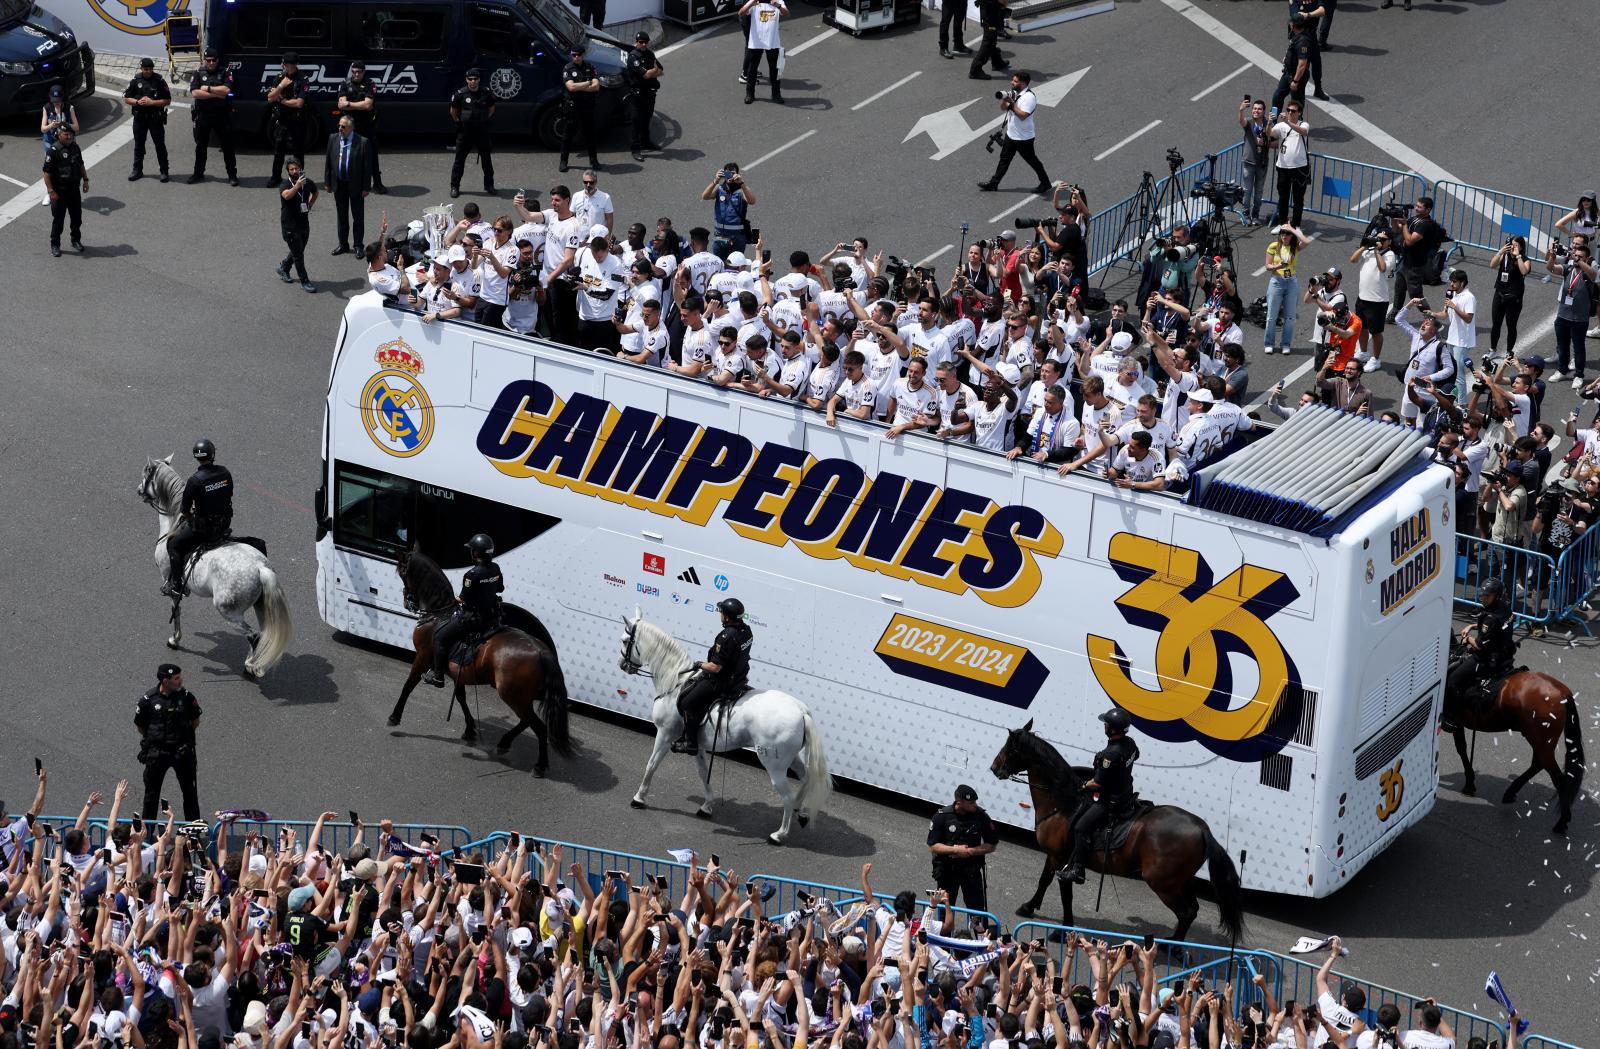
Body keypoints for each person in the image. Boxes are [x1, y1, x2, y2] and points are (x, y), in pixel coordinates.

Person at [1058, 708, 1139, 884]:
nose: (1104, 725)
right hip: (1126, 794)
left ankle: (1078, 870)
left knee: (1080, 827)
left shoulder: (1110, 754)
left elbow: (1097, 783)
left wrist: (1083, 785)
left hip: (1110, 801)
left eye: (1106, 724)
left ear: (1112, 729)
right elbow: (1136, 756)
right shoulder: (1130, 743)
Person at [671, 598, 754, 754]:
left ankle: (691, 743)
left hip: (722, 681)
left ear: (727, 617)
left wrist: (699, 664)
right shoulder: (747, 630)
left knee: (688, 702)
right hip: (739, 677)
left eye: (721, 612)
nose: (720, 614)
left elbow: (715, 668)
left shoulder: (727, 637)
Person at [424, 534, 505, 687]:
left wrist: (451, 597)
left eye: (472, 550)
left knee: (440, 636)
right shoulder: (495, 568)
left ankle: (438, 676)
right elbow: (500, 588)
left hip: (472, 619)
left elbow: (462, 599)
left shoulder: (472, 575)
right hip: (491, 617)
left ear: (476, 553)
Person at [163, 439, 234, 597]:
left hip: (205, 530)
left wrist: (192, 518)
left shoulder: (195, 481)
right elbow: (228, 495)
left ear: (196, 457)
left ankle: (176, 586)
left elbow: (185, 510)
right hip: (224, 524)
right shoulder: (225, 472)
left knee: (173, 544)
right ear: (213, 454)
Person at [135, 664, 202, 822]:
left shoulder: (186, 697)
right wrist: (154, 739)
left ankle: (193, 833)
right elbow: (140, 725)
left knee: (190, 793)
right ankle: (147, 834)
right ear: (165, 681)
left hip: (182, 753)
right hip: (157, 754)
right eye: (176, 678)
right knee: (151, 795)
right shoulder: (148, 700)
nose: (181, 680)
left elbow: (195, 721)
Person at [927, 784, 999, 918]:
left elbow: (992, 844)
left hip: (971, 872)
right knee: (945, 912)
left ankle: (979, 937)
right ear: (959, 803)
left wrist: (971, 851)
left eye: (975, 802)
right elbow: (933, 846)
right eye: (971, 802)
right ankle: (945, 938)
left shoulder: (980, 816)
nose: (975, 805)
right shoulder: (942, 816)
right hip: (947, 872)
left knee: (977, 912)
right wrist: (955, 850)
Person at [1446, 580, 1516, 712]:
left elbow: (1478, 645)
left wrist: (1467, 639)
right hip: (1506, 651)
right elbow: (1496, 628)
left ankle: (1451, 716)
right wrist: (1471, 626)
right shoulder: (1505, 607)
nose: (1483, 598)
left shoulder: (1491, 618)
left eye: (1487, 596)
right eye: (1482, 594)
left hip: (1486, 658)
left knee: (1451, 680)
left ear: (1496, 596)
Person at [976, 71, 1050, 195]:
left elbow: (1023, 115)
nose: (1012, 82)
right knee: (1004, 159)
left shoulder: (1029, 97)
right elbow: (1003, 108)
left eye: (1015, 81)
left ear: (1023, 83)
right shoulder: (1014, 93)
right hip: (1011, 135)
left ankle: (1045, 182)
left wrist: (1012, 104)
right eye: (1013, 80)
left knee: (1032, 160)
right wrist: (1005, 100)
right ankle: (994, 183)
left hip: (1024, 138)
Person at [188, 48, 239, 186]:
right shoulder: (198, 73)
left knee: (227, 147)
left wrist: (208, 89)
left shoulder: (225, 72)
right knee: (201, 147)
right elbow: (195, 93)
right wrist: (217, 94)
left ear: (217, 60)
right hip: (203, 116)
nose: (211, 63)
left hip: (222, 116)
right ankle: (198, 173)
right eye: (208, 60)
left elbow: (227, 90)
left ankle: (232, 175)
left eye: (213, 60)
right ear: (205, 60)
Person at [324, 116, 372, 258]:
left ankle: (358, 245)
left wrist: (366, 187)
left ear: (351, 128)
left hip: (356, 185)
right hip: (339, 184)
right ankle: (343, 244)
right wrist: (327, 182)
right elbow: (328, 161)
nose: (340, 128)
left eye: (343, 126)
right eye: (339, 125)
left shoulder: (362, 142)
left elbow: (367, 167)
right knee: (341, 216)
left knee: (358, 217)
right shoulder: (333, 138)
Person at [1389, 195, 1444, 319]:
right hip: (1406, 261)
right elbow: (1397, 231)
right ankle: (1395, 313)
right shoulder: (1415, 219)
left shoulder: (1425, 225)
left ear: (1428, 210)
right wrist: (1394, 220)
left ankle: (1431, 318)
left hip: (1415, 265)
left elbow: (1409, 241)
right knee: (1399, 287)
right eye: (1416, 205)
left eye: (1419, 207)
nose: (1416, 208)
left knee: (1415, 294)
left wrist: (1403, 225)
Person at [1350, 229, 1396, 372]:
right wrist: (1365, 245)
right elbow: (1353, 259)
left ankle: (1376, 359)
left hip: (1377, 300)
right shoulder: (1368, 250)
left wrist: (1376, 251)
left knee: (1375, 332)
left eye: (1383, 240)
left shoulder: (1389, 254)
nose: (1379, 241)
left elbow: (1383, 268)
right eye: (1378, 238)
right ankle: (1363, 352)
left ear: (1389, 242)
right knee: (1361, 327)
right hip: (1362, 297)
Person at [338, 61, 385, 194]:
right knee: (349, 154)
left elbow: (368, 105)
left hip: (367, 125)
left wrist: (349, 103)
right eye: (354, 72)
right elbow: (340, 105)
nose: (356, 74)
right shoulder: (345, 84)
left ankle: (377, 183)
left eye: (359, 71)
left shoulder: (370, 84)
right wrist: (358, 104)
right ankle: (352, 182)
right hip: (350, 126)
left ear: (364, 72)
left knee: (372, 155)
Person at [449, 69, 496, 198]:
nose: (473, 81)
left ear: (479, 80)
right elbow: (453, 110)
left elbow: (492, 108)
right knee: (459, 161)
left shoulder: (486, 93)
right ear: (466, 80)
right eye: (470, 79)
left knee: (486, 160)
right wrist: (459, 122)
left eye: (475, 79)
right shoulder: (460, 94)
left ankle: (489, 185)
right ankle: (454, 186)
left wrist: (484, 120)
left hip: (481, 131)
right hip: (465, 133)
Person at [42, 125, 87, 259]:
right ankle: (55, 244)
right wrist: (51, 191)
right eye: (66, 134)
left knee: (77, 218)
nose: (69, 136)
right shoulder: (53, 151)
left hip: (74, 190)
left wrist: (85, 180)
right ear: (59, 135)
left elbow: (80, 164)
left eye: (70, 134)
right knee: (58, 221)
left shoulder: (75, 147)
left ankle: (75, 240)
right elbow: (46, 173)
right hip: (59, 192)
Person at [123, 57, 171, 182]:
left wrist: (152, 102)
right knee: (139, 145)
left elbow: (167, 100)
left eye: (150, 69)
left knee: (160, 145)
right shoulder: (136, 80)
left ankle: (164, 171)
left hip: (155, 119)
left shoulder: (159, 80)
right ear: (141, 68)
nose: (148, 71)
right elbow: (127, 98)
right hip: (140, 119)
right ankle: (137, 170)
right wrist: (138, 102)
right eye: (146, 69)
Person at [275, 156, 318, 293]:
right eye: (291, 169)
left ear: (300, 168)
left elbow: (315, 192)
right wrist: (297, 186)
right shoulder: (285, 184)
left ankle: (284, 268)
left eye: (296, 168)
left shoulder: (308, 182)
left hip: (304, 223)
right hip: (290, 226)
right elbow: (286, 196)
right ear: (288, 171)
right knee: (298, 255)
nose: (294, 171)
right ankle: (305, 281)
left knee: (299, 250)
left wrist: (310, 204)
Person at [265, 52, 308, 187]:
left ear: (295, 65)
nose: (285, 66)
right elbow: (270, 98)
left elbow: (299, 103)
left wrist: (282, 100)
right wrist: (281, 86)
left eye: (288, 64)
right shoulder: (279, 77)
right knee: (279, 150)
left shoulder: (303, 78)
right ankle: (275, 177)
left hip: (297, 119)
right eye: (284, 64)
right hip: (282, 119)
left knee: (298, 152)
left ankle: (299, 179)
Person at [561, 44, 602, 174]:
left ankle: (593, 160)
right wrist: (587, 83)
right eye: (574, 55)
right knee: (568, 135)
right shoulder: (568, 68)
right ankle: (563, 161)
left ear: (583, 55)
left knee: (590, 134)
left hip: (587, 106)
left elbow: (596, 87)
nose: (576, 57)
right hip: (573, 106)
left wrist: (581, 86)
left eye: (579, 55)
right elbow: (571, 87)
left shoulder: (590, 67)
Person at [1269, 102, 1310, 228]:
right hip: (1283, 167)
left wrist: (1288, 122)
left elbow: (1303, 132)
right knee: (1283, 197)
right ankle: (1282, 224)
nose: (1290, 112)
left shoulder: (1303, 124)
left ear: (1299, 113)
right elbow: (1270, 135)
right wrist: (1269, 123)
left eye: (1293, 111)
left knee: (1298, 199)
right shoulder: (1281, 125)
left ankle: (1296, 225)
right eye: (1288, 110)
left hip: (1300, 167)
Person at [1489, 236, 1531, 355]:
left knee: (1511, 326)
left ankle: (1509, 351)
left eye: (1516, 245)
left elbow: (1524, 271)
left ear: (1521, 247)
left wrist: (1517, 256)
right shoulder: (1504, 256)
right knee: (1496, 324)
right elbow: (1492, 265)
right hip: (1499, 294)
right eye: (1511, 244)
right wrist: (1501, 251)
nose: (1512, 247)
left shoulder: (1525, 259)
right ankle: (1492, 349)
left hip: (1514, 298)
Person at [740, 0, 787, 105]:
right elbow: (741, 13)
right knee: (752, 70)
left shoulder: (778, 1)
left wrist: (778, 6)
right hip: (756, 42)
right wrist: (751, 4)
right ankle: (749, 94)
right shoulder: (755, 2)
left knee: (774, 70)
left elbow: (787, 13)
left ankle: (776, 94)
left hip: (773, 42)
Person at [626, 32, 664, 161]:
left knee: (647, 119)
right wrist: (652, 72)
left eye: (645, 42)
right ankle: (635, 149)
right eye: (640, 42)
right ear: (636, 41)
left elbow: (661, 71)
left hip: (649, 93)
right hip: (637, 95)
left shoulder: (649, 54)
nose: (643, 44)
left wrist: (651, 72)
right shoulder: (633, 57)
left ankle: (646, 142)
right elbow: (647, 75)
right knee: (636, 121)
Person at [703, 163, 755, 254]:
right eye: (727, 173)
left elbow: (752, 201)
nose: (730, 176)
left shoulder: (742, 190)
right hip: (720, 235)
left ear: (737, 174)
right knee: (719, 264)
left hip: (737, 236)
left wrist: (742, 183)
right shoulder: (719, 189)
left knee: (734, 265)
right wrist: (715, 181)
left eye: (732, 173)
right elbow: (705, 196)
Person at [39, 84, 78, 205]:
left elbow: (76, 127)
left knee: (70, 166)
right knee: (50, 168)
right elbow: (43, 128)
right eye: (54, 101)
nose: (56, 103)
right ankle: (49, 192)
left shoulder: (69, 107)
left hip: (66, 141)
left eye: (59, 101)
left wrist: (64, 124)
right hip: (50, 141)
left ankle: (70, 191)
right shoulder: (46, 108)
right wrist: (51, 125)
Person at [1237, 96, 1270, 226]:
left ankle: (1255, 214)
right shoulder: (1249, 123)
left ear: (1263, 111)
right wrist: (1241, 110)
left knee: (1259, 192)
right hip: (1249, 162)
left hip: (1262, 163)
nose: (1256, 111)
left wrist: (1265, 141)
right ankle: (1246, 214)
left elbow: (1273, 138)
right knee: (1247, 190)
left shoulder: (1268, 124)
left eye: (1259, 109)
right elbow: (1241, 121)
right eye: (1254, 108)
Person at [1271, 13, 1312, 114]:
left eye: (1291, 23)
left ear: (1294, 25)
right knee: (1277, 96)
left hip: (1297, 77)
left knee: (1296, 103)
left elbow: (1302, 64)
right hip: (1288, 73)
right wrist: (1287, 59)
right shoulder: (1296, 34)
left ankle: (1298, 124)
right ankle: (1274, 120)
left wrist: (1295, 81)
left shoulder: (1303, 41)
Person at [968, 0, 1010, 80]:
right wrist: (1004, 2)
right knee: (989, 41)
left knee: (992, 38)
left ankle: (997, 61)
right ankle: (975, 70)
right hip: (991, 9)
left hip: (989, 7)